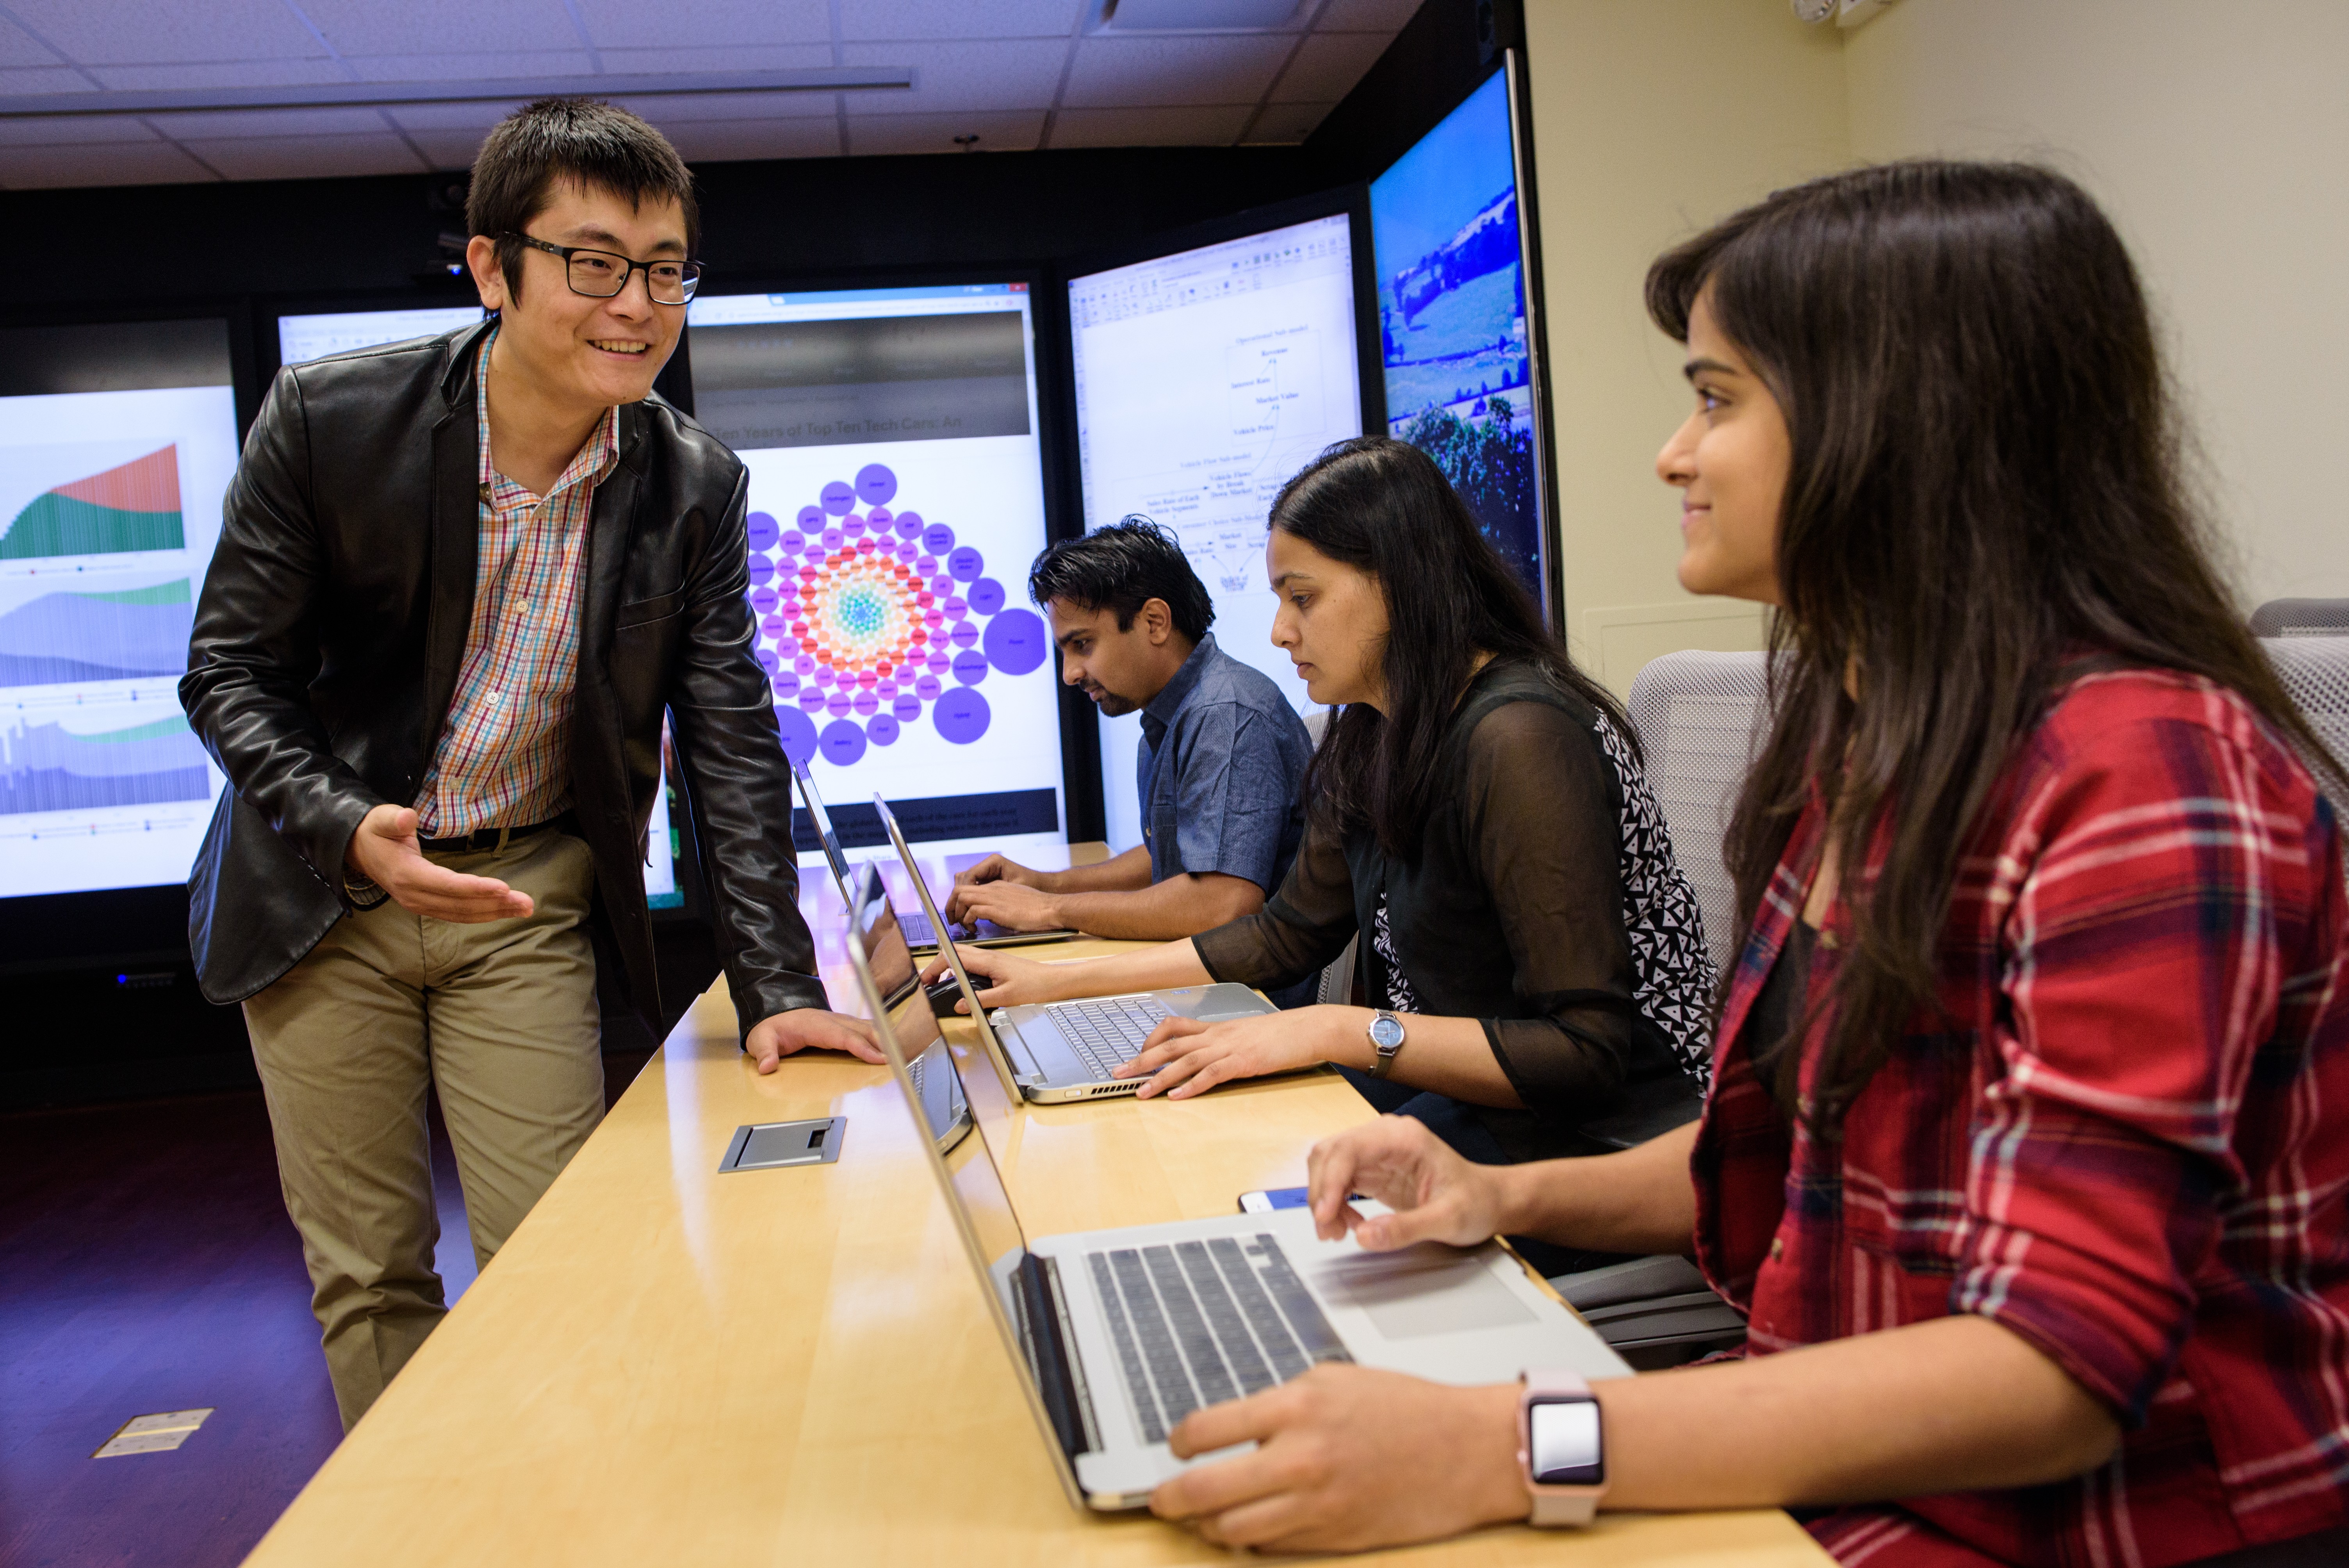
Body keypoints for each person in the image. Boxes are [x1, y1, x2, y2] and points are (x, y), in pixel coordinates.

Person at [1135, 163, 2349, 1566]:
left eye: (1714, 398)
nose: (1670, 453)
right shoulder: (1872, 749)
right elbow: (1787, 1157)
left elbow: (2049, 1372)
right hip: (1858, 1460)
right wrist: (1493, 1196)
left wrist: (1495, 1443)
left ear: (1895, 424)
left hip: (2100, 1520)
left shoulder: (2140, 777)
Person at [182, 99, 878, 1429]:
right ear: (493, 267)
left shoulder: (692, 483)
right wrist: (344, 823)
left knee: (559, 1250)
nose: (639, 304)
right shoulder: (335, 418)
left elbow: (728, 732)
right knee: (373, 1274)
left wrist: (776, 983)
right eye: (596, 261)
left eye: (668, 267)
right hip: (323, 897)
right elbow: (229, 670)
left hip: (521, 901)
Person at [942, 439, 1718, 1171]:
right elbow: (1284, 936)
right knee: (1182, 1132)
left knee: (1253, 1194)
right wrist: (1057, 985)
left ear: (1399, 582)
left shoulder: (1520, 737)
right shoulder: (1372, 732)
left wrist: (1334, 1029)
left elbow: (1582, 1054)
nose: (1280, 631)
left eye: (1301, 598)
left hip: (1612, 1133)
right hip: (1474, 1098)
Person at [945, 518, 1313, 947]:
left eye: (1082, 644)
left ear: (1155, 622)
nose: (1070, 674)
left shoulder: (1224, 714)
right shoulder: (1174, 714)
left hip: (1255, 1004)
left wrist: (1049, 910)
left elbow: (1220, 904)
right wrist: (1044, 885)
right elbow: (1174, 859)